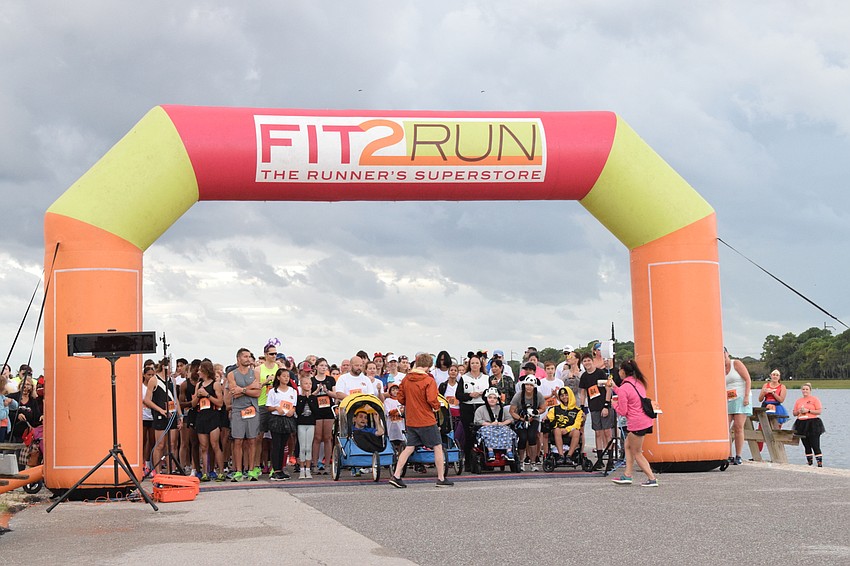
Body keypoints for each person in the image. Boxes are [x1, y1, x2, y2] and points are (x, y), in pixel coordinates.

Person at [389, 353, 453, 488]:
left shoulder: (406, 379)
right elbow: (432, 399)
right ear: (428, 366)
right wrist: (436, 407)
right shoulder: (428, 380)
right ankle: (441, 478)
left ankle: (396, 475)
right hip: (426, 419)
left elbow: (401, 398)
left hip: (411, 419)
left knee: (409, 447)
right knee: (437, 446)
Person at [608, 360, 659, 487]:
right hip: (645, 420)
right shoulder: (638, 383)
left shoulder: (624, 387)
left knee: (637, 452)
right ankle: (627, 475)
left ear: (623, 371)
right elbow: (627, 394)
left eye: (620, 370)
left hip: (636, 423)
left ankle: (651, 478)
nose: (619, 372)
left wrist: (614, 405)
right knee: (628, 445)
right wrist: (614, 387)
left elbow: (623, 411)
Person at [143, 357, 182, 475]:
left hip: (172, 414)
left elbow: (175, 399)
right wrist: (160, 410)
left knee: (172, 444)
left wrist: (180, 415)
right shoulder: (154, 380)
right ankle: (157, 471)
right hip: (160, 415)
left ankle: (171, 470)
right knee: (160, 444)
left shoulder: (172, 380)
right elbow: (147, 400)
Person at [227, 348, 262, 482]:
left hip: (252, 409)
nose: (248, 359)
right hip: (238, 410)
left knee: (252, 440)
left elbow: (257, 393)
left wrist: (242, 389)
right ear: (238, 358)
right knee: (238, 440)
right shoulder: (232, 374)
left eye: (249, 356)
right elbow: (234, 393)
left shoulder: (255, 373)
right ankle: (238, 471)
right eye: (245, 356)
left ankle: (251, 470)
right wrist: (250, 387)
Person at [578, 352, 615, 470]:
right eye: (584, 361)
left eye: (588, 360)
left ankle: (610, 459)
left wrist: (606, 405)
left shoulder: (600, 373)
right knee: (597, 432)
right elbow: (583, 392)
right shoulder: (584, 376)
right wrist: (582, 407)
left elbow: (608, 389)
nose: (587, 363)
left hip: (604, 405)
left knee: (607, 432)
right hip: (593, 407)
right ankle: (599, 459)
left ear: (592, 361)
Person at [192, 360, 224, 481]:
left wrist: (207, 395)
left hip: (213, 416)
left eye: (200, 370)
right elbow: (193, 404)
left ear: (205, 371)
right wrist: (198, 396)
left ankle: (220, 471)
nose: (198, 372)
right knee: (204, 446)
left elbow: (220, 403)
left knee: (215, 445)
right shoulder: (198, 385)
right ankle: (205, 472)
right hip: (201, 416)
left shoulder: (215, 384)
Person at [508, 375, 546, 470]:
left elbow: (543, 408)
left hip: (534, 418)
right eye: (527, 385)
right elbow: (512, 411)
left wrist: (536, 412)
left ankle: (533, 462)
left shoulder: (538, 395)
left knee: (532, 436)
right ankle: (521, 462)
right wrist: (521, 418)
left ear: (534, 386)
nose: (529, 387)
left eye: (531, 385)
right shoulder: (518, 395)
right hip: (520, 419)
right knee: (523, 438)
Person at [456, 354, 489, 462]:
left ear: (480, 365)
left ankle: (484, 459)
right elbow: (458, 395)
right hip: (468, 408)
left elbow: (491, 394)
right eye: (472, 363)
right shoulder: (464, 378)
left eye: (477, 363)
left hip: (482, 407)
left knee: (483, 434)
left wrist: (483, 394)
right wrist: (470, 395)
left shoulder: (486, 378)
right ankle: (469, 461)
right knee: (469, 435)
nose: (474, 365)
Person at [266, 368, 296, 481]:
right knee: (276, 445)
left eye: (288, 376)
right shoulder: (273, 391)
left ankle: (281, 468)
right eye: (284, 376)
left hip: (287, 419)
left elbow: (294, 405)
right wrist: (276, 408)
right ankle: (276, 470)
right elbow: (269, 407)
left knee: (283, 445)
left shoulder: (292, 391)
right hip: (276, 419)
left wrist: (292, 411)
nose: (286, 378)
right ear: (278, 377)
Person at [725, 347, 752, 465]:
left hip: (741, 397)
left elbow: (747, 379)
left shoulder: (736, 363)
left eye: (723, 353)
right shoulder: (719, 368)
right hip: (728, 398)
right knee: (725, 427)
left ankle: (738, 455)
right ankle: (728, 455)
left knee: (738, 426)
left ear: (727, 353)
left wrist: (746, 396)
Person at [474, 388, 517, 461]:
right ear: (486, 398)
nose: (492, 400)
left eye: (494, 398)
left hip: (500, 427)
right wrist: (490, 424)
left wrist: (502, 423)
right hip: (487, 427)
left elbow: (510, 419)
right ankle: (490, 451)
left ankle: (508, 451)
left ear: (497, 399)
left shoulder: (502, 409)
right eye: (490, 398)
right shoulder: (480, 409)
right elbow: (477, 421)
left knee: (509, 432)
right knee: (487, 432)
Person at [545, 387, 584, 463]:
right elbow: (550, 419)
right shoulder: (555, 409)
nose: (564, 397)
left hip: (570, 431)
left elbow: (577, 424)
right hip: (558, 430)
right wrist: (546, 418)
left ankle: (569, 456)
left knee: (577, 432)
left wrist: (567, 429)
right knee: (557, 430)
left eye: (566, 395)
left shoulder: (578, 411)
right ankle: (561, 455)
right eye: (562, 395)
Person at [310, 358, 335, 475]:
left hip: (328, 410)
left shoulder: (330, 379)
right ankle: (315, 464)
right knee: (317, 437)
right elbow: (308, 396)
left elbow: (335, 394)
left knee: (328, 437)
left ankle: (327, 465)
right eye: (321, 365)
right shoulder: (312, 380)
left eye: (325, 365)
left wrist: (327, 391)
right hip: (316, 410)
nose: (323, 367)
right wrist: (316, 391)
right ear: (316, 367)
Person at [792, 383, 825, 467]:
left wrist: (808, 410)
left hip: (812, 423)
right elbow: (794, 413)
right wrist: (799, 411)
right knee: (806, 444)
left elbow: (819, 411)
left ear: (810, 390)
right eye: (803, 389)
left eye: (807, 389)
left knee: (815, 444)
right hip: (801, 423)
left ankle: (819, 463)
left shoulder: (814, 399)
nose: (805, 391)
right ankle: (809, 462)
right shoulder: (799, 400)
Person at [296, 374, 319, 479]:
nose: (308, 385)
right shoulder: (299, 398)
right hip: (301, 423)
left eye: (310, 383)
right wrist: (304, 398)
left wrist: (309, 398)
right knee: (302, 446)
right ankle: (302, 469)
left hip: (311, 424)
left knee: (309, 447)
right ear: (301, 385)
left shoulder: (314, 398)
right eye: (306, 383)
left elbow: (316, 411)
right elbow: (298, 411)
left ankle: (308, 469)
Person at [10, 375, 41, 443]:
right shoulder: (12, 397)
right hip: (13, 430)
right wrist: (17, 415)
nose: (25, 386)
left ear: (32, 387)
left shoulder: (33, 401)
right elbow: (6, 411)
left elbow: (37, 416)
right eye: (23, 383)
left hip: (28, 431)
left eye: (28, 384)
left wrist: (41, 417)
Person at [384, 384, 406, 456]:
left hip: (400, 425)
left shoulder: (402, 401)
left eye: (397, 390)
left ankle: (401, 455)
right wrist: (397, 409)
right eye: (393, 390)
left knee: (401, 441)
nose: (395, 391)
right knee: (392, 441)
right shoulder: (387, 401)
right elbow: (388, 412)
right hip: (391, 426)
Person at [0, 374, 19, 442]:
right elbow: (1, 416)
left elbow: (15, 406)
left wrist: (11, 401)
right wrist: (5, 406)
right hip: (1, 426)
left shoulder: (2, 397)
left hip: (4, 426)